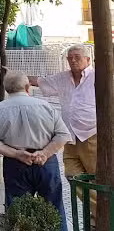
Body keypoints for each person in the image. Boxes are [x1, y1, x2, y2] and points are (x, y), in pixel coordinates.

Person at [0, 71, 71, 231]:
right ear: (28, 86)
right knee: (54, 207)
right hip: (46, 162)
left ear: (6, 89)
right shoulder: (46, 107)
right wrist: (45, 153)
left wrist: (16, 154)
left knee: (17, 211)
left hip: (15, 162)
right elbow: (63, 135)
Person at [28, 44, 97, 223]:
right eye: (70, 57)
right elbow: (40, 81)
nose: (73, 60)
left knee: (97, 178)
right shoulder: (63, 78)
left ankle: (100, 216)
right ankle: (100, 212)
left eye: (77, 57)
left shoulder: (97, 77)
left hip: (92, 135)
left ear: (88, 60)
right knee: (73, 177)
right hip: (70, 138)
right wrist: (16, 77)